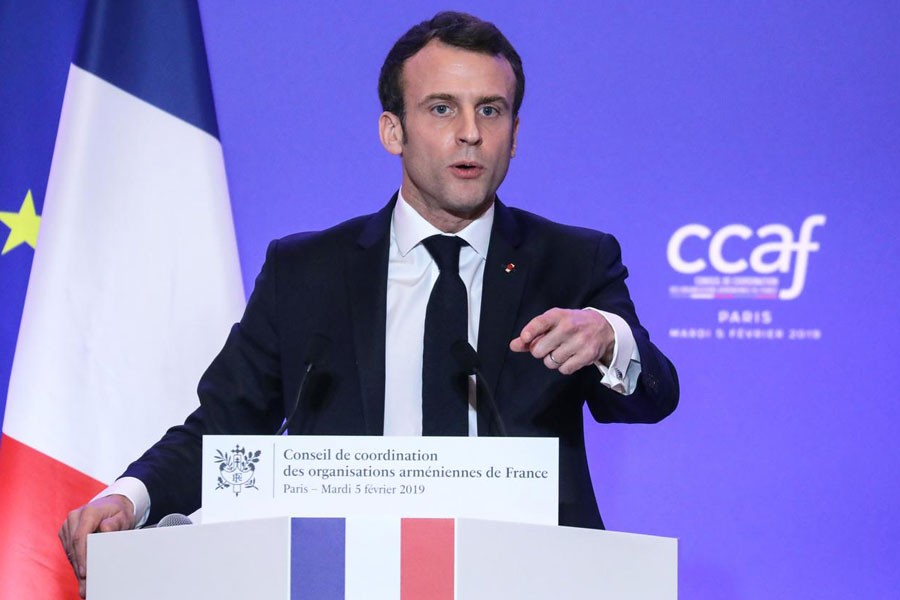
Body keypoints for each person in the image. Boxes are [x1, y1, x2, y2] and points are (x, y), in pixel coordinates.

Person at [59, 11, 678, 597]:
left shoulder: (572, 262)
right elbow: (226, 425)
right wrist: (130, 497)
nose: (470, 132)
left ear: (514, 136)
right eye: (442, 108)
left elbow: (655, 396)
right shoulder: (307, 271)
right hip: (337, 580)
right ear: (393, 130)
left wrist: (608, 337)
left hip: (532, 581)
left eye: (491, 110)